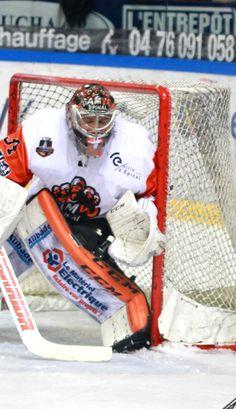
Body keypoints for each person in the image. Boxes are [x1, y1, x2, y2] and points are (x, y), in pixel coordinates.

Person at [0, 82, 163, 352]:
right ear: (71, 116)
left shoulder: (136, 147)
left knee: (134, 330)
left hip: (93, 229)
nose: (96, 128)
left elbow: (151, 193)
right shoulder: (41, 130)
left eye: (102, 120)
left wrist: (146, 222)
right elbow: (5, 169)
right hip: (36, 214)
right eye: (88, 119)